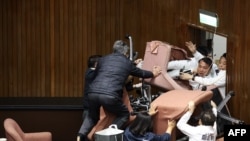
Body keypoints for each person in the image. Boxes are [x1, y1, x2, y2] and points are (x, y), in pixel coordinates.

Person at [78, 40, 162, 141]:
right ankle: (107, 135)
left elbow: (98, 75)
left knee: (91, 116)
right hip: (110, 96)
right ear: (125, 53)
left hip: (92, 93)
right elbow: (141, 73)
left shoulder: (103, 59)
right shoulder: (126, 62)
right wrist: (153, 73)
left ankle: (79, 136)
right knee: (124, 114)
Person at [77, 55, 102, 141]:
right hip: (90, 109)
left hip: (90, 108)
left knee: (87, 133)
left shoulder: (90, 73)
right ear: (96, 64)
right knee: (87, 134)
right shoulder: (91, 73)